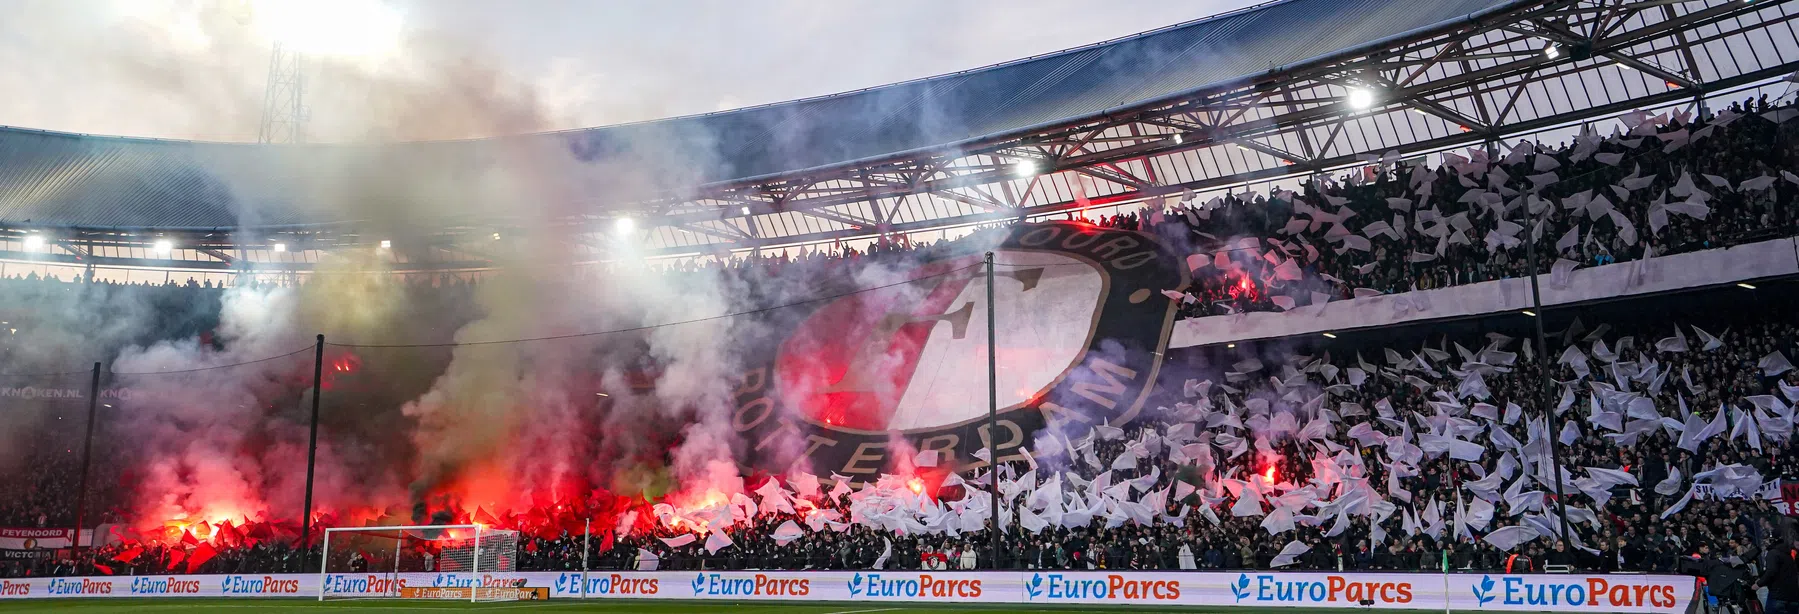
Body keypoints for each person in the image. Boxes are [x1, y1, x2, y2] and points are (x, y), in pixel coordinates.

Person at [1758, 540, 1799, 614]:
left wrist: (1758, 584)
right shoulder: (1790, 554)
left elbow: (1771, 571)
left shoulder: (1773, 553)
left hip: (1778, 595)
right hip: (1794, 596)